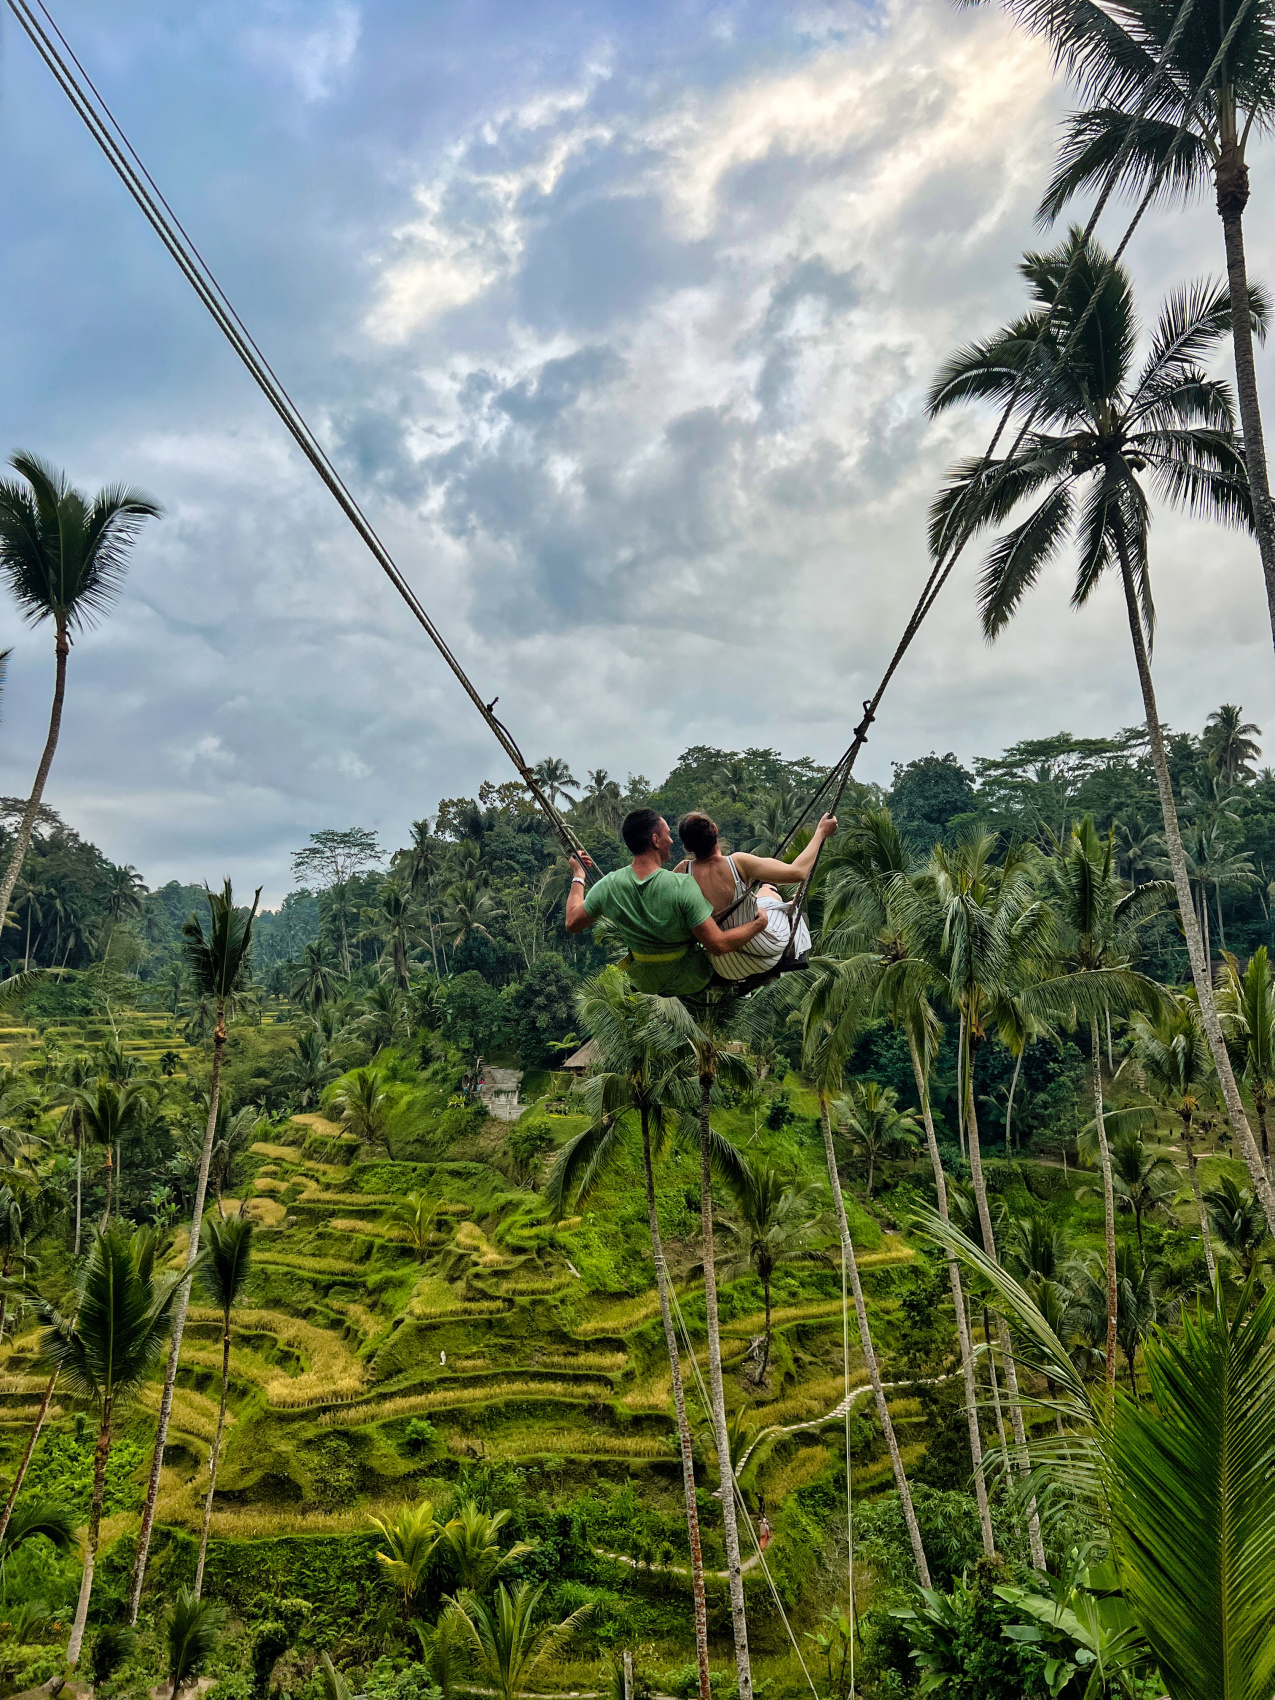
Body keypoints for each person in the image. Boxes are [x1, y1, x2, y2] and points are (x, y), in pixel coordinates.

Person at [564, 808, 770, 997]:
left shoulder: (608, 885)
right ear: (655, 840)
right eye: (668, 835)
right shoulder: (682, 885)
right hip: (691, 979)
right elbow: (718, 945)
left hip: (645, 981)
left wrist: (578, 874)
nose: (672, 841)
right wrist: (758, 924)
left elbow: (572, 923)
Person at [674, 810, 838, 980]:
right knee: (768, 900)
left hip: (726, 967)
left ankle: (768, 887)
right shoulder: (737, 862)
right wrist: (821, 833)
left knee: (761, 899)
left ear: (687, 846)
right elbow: (798, 872)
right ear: (715, 829)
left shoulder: (682, 872)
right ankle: (770, 887)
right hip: (764, 950)